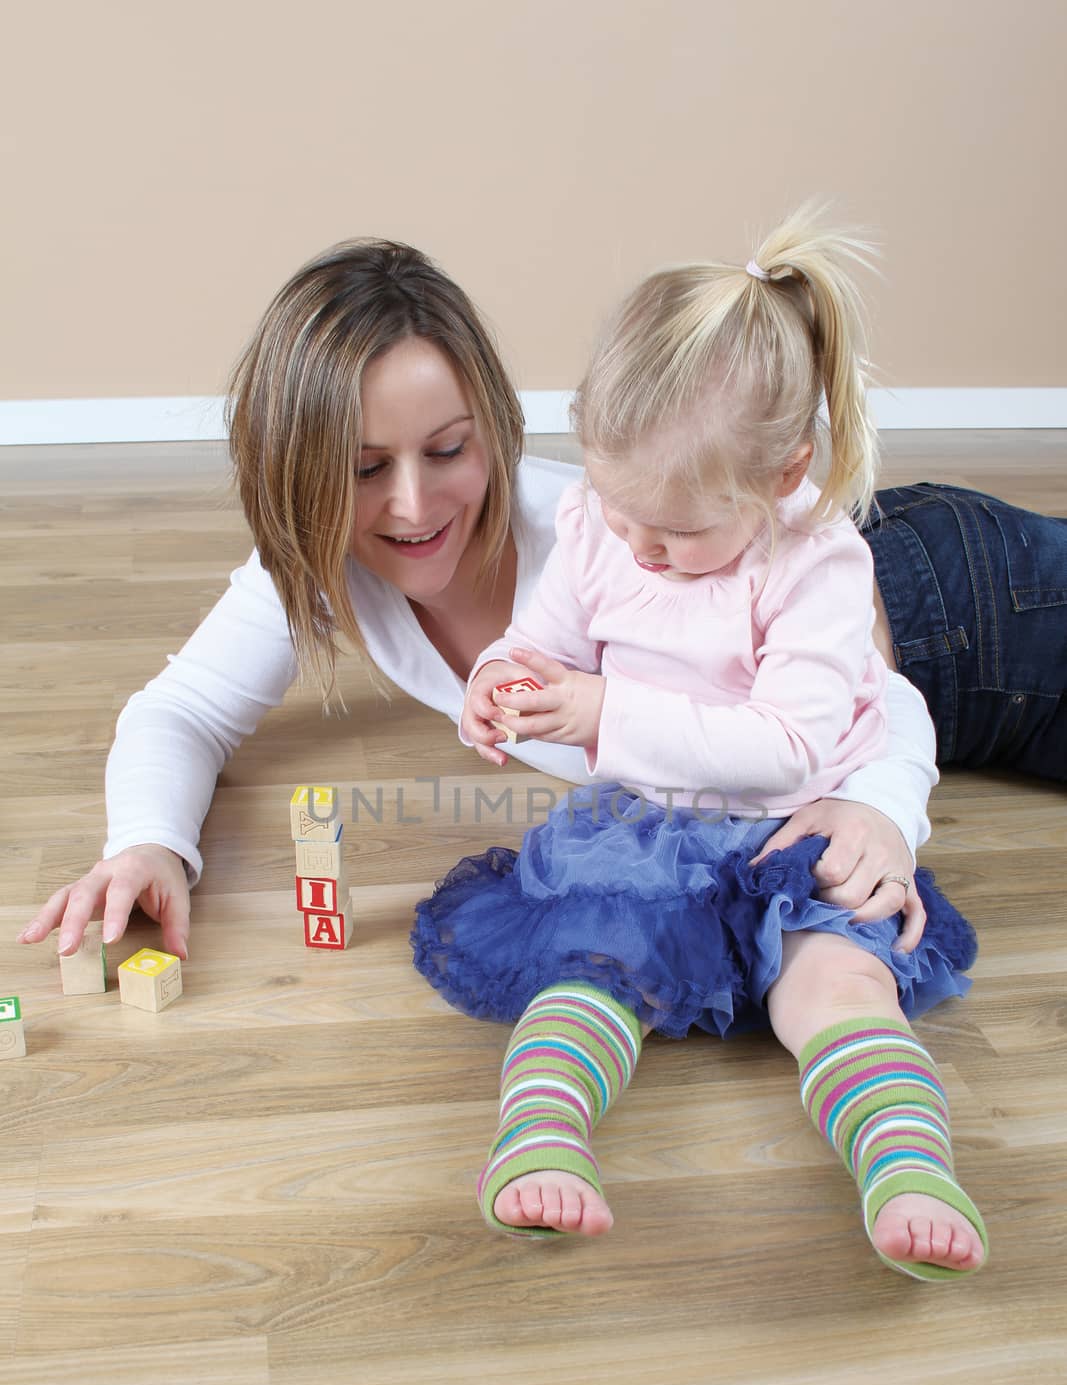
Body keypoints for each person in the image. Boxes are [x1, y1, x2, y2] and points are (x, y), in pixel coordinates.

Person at [14, 238, 1063, 964]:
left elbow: (875, 691)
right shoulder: (320, 563)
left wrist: (875, 806)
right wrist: (147, 843)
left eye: (449, 449)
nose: (415, 504)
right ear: (297, 473)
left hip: (953, 610)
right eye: (363, 466)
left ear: (496, 426)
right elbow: (181, 710)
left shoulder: (603, 526)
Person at [411, 208, 988, 1280]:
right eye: (620, 512)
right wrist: (502, 679)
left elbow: (782, 746)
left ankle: (905, 1164)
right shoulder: (600, 521)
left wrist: (597, 713)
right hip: (643, 836)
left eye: (673, 533)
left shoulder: (814, 564)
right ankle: (540, 1138)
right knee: (583, 977)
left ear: (782, 475)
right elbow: (538, 637)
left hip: (790, 834)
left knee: (838, 988)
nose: (639, 548)